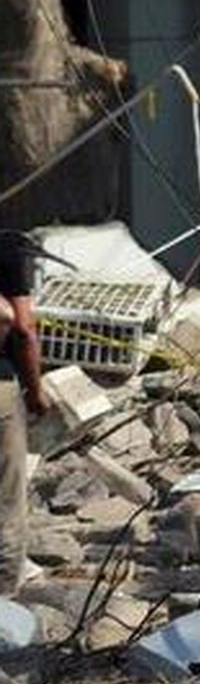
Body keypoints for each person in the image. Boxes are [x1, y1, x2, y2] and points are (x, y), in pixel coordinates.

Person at [0, 231, 50, 594]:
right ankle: (3, 598)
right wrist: (36, 391)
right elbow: (21, 326)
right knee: (7, 500)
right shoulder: (6, 248)